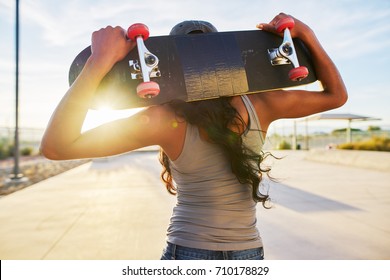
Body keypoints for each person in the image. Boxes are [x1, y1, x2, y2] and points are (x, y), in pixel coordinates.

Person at [40, 13, 347, 260]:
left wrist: (99, 62)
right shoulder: (263, 104)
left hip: (188, 252)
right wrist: (306, 34)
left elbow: (56, 147)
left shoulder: (162, 119)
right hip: (248, 253)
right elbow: (336, 96)